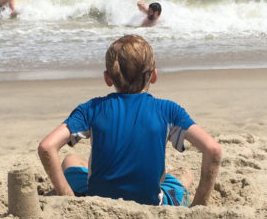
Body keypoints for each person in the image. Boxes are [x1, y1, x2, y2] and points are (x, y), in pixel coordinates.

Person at [38, 34, 221, 207]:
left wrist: (67, 197)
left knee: (70, 160)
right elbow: (213, 149)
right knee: (184, 174)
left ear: (108, 78)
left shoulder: (91, 108)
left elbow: (47, 147)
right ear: (154, 75)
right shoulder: (168, 110)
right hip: (150, 203)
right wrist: (199, 205)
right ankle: (189, 197)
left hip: (98, 200)